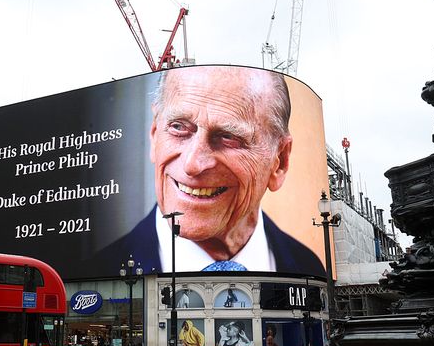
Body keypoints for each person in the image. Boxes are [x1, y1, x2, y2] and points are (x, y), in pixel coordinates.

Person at [96, 66, 325, 275]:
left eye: (228, 137)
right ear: (155, 134)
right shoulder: (101, 268)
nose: (192, 164)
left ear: (280, 160)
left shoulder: (310, 267)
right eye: (178, 127)